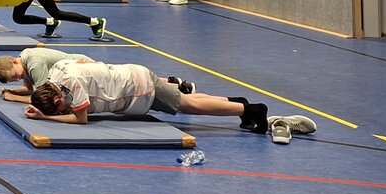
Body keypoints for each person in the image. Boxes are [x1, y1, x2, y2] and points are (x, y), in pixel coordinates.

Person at [26, 57, 276, 135]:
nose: (65, 111)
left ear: (57, 99)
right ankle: (237, 104)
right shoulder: (56, 74)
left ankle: (253, 110)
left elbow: (81, 119)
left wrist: (46, 118)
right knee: (186, 101)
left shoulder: (71, 83)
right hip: (131, 76)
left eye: (60, 109)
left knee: (188, 105)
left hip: (138, 87)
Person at [0, 48, 193, 102]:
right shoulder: (24, 58)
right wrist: (13, 91)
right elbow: (28, 88)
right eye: (13, 80)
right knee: (124, 76)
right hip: (74, 68)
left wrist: (13, 98)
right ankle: (172, 82)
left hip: (82, 68)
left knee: (126, 80)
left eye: (15, 75)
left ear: (15, 61)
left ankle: (176, 87)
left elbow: (43, 96)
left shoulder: (34, 64)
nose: (17, 79)